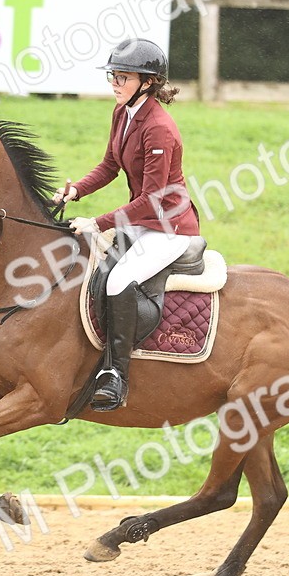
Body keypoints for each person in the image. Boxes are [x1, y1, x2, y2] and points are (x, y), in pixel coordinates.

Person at [53, 38, 201, 411]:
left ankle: (116, 374)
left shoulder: (159, 129)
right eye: (112, 76)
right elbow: (109, 166)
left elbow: (151, 199)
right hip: (143, 222)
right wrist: (75, 191)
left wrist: (98, 223)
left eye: (122, 77)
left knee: (119, 280)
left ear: (147, 82)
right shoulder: (122, 113)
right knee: (94, 272)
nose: (115, 84)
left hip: (168, 228)